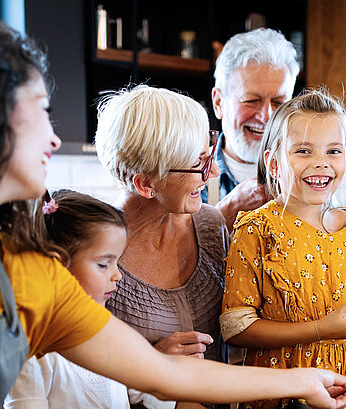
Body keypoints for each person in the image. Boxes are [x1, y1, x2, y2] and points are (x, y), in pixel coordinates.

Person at [0, 15, 346, 409]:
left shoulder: (30, 275)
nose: (54, 138)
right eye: (39, 112)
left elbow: (162, 373)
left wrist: (305, 380)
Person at [220, 89, 346, 409]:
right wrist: (321, 329)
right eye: (303, 151)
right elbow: (235, 328)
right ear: (273, 162)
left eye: (333, 151)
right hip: (272, 395)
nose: (321, 163)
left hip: (338, 393)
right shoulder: (256, 229)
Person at [94, 84, 229, 409]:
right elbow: (72, 372)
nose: (211, 172)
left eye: (207, 154)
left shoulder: (211, 226)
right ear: (146, 184)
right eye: (197, 164)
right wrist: (148, 364)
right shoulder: (94, 254)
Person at [5, 189, 130, 408]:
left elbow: (140, 380)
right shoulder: (33, 349)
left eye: (117, 262)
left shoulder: (107, 327)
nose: (117, 274)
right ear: (58, 264)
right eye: (104, 264)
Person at [209, 28, 300, 231]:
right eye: (251, 100)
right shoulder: (189, 177)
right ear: (218, 103)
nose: (266, 116)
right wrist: (227, 212)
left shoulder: (309, 174)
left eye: (278, 102)